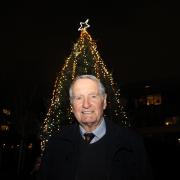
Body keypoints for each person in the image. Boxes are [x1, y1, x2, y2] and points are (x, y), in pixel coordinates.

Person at [37, 74, 153, 180]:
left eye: (93, 96)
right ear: (71, 106)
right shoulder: (56, 143)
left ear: (104, 101)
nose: (86, 104)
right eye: (79, 98)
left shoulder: (131, 142)